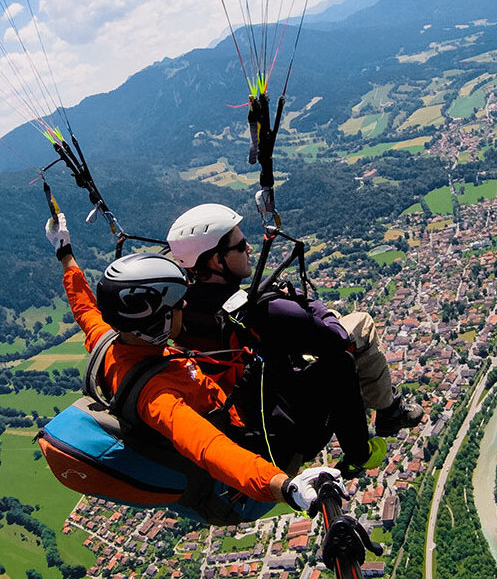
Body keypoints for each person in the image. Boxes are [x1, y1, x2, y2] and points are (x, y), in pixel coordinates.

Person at [44, 211, 346, 521]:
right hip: (243, 490)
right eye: (176, 304)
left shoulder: (110, 342)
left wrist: (64, 252)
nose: (184, 305)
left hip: (233, 438)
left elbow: (84, 308)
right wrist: (286, 487)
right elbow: (208, 446)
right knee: (338, 366)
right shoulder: (159, 398)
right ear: (157, 322)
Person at [166, 204, 423, 459]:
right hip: (291, 426)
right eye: (240, 244)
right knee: (359, 325)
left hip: (243, 418)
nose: (249, 248)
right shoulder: (267, 310)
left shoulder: (179, 308)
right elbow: (336, 339)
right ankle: (388, 413)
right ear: (215, 260)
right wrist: (310, 305)